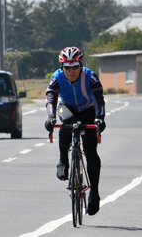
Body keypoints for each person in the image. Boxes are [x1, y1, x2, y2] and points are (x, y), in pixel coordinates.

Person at [44, 46, 106, 216]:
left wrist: (100, 118)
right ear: (62, 67)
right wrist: (50, 117)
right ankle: (63, 160)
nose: (71, 71)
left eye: (75, 67)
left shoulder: (90, 76)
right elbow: (50, 97)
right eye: (67, 67)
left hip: (88, 109)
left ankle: (94, 192)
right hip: (68, 107)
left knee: (90, 151)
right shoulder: (57, 77)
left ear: (81, 65)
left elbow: (99, 99)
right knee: (67, 122)